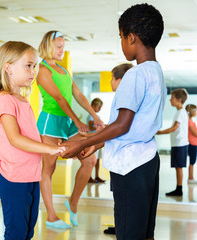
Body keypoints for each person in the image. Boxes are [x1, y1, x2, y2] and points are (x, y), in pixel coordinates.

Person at [61, 4, 166, 240]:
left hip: (131, 166)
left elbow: (122, 125)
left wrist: (80, 144)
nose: (121, 43)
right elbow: (135, 126)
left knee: (129, 234)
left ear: (131, 37)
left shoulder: (135, 75)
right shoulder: (156, 71)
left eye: (121, 37)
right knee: (145, 233)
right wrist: (97, 144)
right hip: (148, 160)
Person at [0, 41, 66, 239]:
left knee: (28, 230)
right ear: (8, 68)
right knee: (16, 233)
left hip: (31, 175)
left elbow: (32, 136)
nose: (33, 71)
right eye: (28, 65)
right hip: (13, 177)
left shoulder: (22, 100)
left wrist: (53, 145)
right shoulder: (4, 100)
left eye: (35, 66)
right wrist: (48, 150)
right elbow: (15, 139)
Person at [37, 30, 104, 229]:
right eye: (58, 47)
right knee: (48, 169)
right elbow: (59, 98)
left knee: (90, 159)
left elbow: (77, 94)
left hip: (66, 122)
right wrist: (76, 120)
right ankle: (51, 217)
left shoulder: (64, 71)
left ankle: (72, 202)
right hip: (50, 122)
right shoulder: (42, 69)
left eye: (63, 47)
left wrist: (94, 115)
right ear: (48, 46)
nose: (61, 50)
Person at [103, 63, 133, 235]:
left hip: (123, 158)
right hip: (118, 157)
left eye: (112, 79)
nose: (110, 82)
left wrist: (89, 141)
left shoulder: (124, 97)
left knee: (122, 200)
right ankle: (119, 225)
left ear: (120, 80)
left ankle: (122, 228)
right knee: (119, 199)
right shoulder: (120, 97)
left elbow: (119, 127)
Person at [157, 89, 189, 196]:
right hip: (178, 144)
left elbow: (174, 128)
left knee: (178, 167)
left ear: (179, 100)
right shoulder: (180, 112)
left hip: (180, 144)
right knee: (177, 166)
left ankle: (179, 189)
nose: (170, 100)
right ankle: (178, 188)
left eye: (172, 98)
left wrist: (160, 132)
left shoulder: (180, 112)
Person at [87, 98, 105, 183]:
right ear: (93, 106)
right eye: (99, 107)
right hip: (93, 140)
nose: (100, 109)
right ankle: (89, 177)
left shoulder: (98, 116)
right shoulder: (91, 116)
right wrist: (101, 127)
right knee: (92, 159)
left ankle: (97, 176)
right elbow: (91, 127)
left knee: (98, 159)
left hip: (98, 140)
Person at [186, 104, 197, 184]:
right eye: (195, 110)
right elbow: (195, 133)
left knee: (192, 162)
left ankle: (191, 178)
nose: (196, 112)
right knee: (192, 162)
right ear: (191, 112)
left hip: (194, 144)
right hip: (192, 144)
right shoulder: (189, 122)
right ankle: (190, 178)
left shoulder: (191, 121)